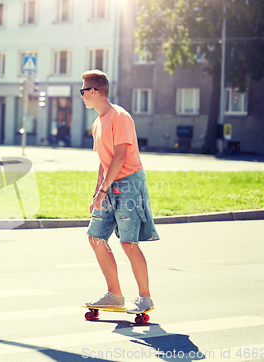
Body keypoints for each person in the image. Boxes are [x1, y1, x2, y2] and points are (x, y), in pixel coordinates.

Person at [81, 69, 159, 314]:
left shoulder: (120, 117)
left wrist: (104, 191)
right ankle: (114, 295)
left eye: (83, 91)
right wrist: (97, 193)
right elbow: (103, 162)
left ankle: (145, 297)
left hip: (128, 185)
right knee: (95, 237)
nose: (81, 96)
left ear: (94, 91)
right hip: (108, 186)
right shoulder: (97, 123)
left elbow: (120, 156)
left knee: (128, 243)